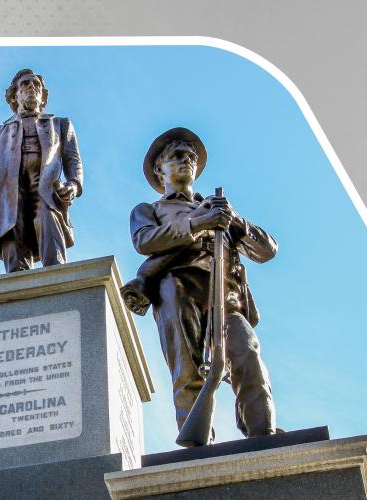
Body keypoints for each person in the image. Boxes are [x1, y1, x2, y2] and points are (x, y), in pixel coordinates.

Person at [122, 127, 280, 444]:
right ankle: (197, 443)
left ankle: (264, 435)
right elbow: (145, 241)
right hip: (176, 287)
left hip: (225, 292)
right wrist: (197, 224)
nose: (187, 161)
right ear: (159, 169)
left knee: (247, 357)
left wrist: (235, 221)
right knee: (186, 368)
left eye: (191, 157)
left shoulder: (217, 207)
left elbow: (266, 250)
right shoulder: (149, 210)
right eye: (177, 156)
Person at [0, 68, 84, 273]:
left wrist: (73, 185)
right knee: (13, 229)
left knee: (48, 221)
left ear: (43, 96)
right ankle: (17, 286)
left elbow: (72, 159)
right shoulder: (0, 130)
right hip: (11, 190)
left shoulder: (60, 124)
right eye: (25, 84)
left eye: (36, 85)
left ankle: (57, 280)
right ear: (15, 95)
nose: (32, 87)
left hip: (46, 187)